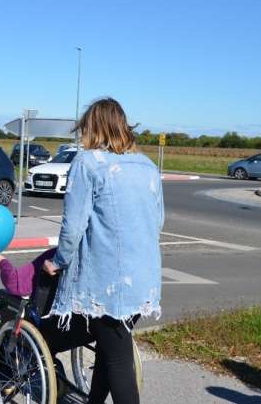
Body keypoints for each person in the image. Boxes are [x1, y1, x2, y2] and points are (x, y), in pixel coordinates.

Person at [42, 97, 164, 404]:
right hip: (143, 279)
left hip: (107, 282)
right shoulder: (147, 165)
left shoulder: (88, 163)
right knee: (112, 349)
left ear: (93, 128)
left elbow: (72, 228)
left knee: (118, 358)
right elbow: (158, 220)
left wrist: (57, 262)